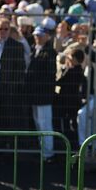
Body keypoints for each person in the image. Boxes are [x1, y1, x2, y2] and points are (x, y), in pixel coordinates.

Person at [25, 25, 57, 162]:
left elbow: (49, 72)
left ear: (47, 36)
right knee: (38, 122)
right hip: (34, 93)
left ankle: (48, 153)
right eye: (36, 35)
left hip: (43, 93)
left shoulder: (50, 52)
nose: (37, 38)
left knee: (45, 123)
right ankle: (43, 150)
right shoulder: (33, 50)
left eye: (40, 35)